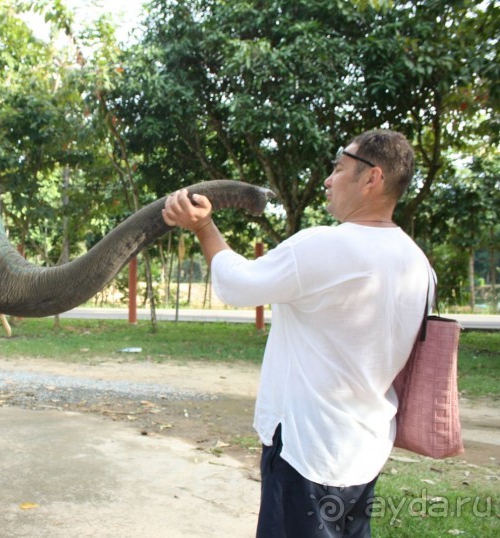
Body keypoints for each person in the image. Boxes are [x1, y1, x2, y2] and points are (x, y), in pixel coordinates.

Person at [162, 130, 431, 537]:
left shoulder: (325, 246)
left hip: (307, 450)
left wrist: (204, 228)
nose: (328, 179)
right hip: (365, 449)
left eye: (339, 169)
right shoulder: (418, 264)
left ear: (371, 179)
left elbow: (238, 284)